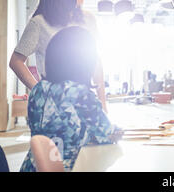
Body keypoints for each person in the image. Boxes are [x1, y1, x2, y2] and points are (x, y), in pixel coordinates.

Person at [20, 26, 122, 172]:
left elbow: (51, 130)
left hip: (33, 166)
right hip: (68, 167)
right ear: (86, 63)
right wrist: (119, 131)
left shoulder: (38, 89)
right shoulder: (81, 94)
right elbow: (106, 134)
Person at [9, 0, 108, 112]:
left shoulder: (88, 19)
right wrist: (39, 90)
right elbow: (16, 61)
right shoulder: (39, 22)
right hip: (52, 105)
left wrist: (102, 103)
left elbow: (96, 63)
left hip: (84, 103)